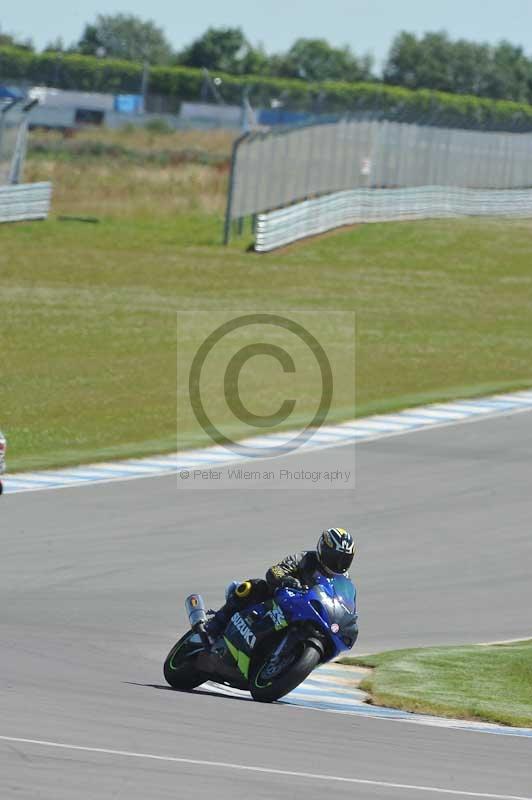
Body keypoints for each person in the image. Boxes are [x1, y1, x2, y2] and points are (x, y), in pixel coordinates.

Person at [203, 527, 356, 642]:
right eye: (335, 557)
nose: (339, 564)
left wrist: (348, 618)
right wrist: (286, 580)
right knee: (252, 587)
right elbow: (275, 571)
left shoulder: (344, 580)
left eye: (344, 559)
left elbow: (346, 603)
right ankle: (214, 625)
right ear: (323, 549)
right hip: (281, 600)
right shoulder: (305, 558)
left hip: (309, 613)